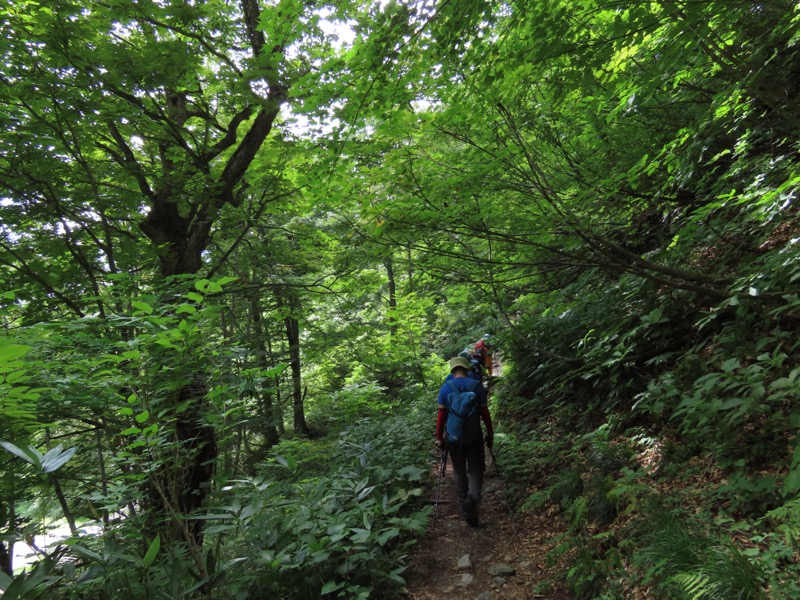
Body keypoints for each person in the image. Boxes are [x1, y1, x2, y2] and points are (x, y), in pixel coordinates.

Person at [436, 356, 494, 527]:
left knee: (459, 471)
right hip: (474, 435)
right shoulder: (476, 386)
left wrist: (439, 438)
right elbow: (485, 413)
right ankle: (473, 499)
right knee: (476, 469)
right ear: (467, 369)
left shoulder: (445, 388)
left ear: (452, 370)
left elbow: (441, 417)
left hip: (454, 438)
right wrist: (489, 432)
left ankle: (464, 504)